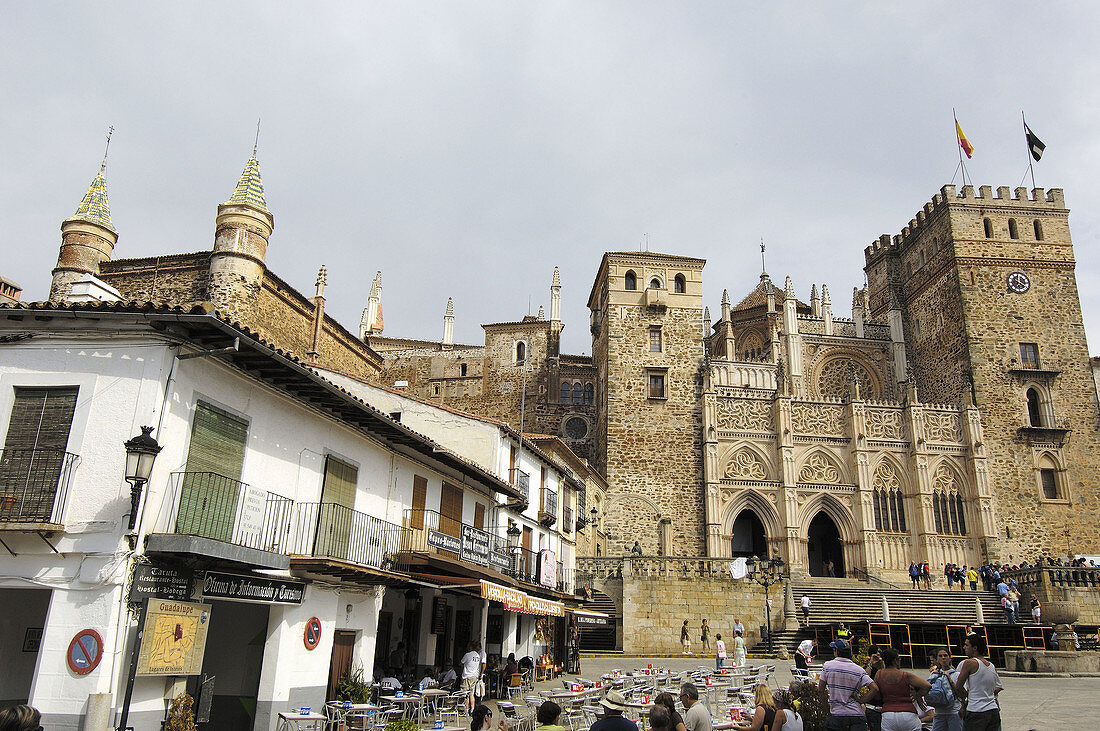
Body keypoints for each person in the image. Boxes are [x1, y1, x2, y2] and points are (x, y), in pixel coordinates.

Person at [818, 638, 877, 731]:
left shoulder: (828, 666)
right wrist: (861, 701)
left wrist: (826, 707)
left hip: (836, 715)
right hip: (857, 715)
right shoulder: (859, 670)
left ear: (836, 651)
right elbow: (875, 688)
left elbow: (820, 690)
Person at [875, 647, 930, 731]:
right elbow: (927, 685)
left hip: (888, 714)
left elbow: (877, 695)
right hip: (908, 713)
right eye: (899, 659)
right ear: (895, 660)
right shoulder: (905, 675)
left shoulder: (878, 675)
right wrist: (918, 695)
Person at [953, 634, 1001, 731]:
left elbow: (958, 686)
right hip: (992, 709)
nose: (964, 648)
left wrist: (965, 699)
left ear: (975, 648)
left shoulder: (970, 663)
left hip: (976, 710)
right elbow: (996, 687)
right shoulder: (991, 666)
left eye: (967, 645)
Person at [926, 647, 962, 731]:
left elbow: (961, 693)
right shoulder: (934, 675)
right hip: (939, 712)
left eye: (945, 655)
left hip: (954, 711)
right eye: (940, 656)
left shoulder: (956, 674)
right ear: (937, 659)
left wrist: (950, 681)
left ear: (950, 658)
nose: (943, 658)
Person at [461, 641, 484, 710]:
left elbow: (462, 663)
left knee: (465, 694)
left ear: (470, 647)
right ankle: (472, 709)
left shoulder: (467, 655)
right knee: (471, 694)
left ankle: (467, 709)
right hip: (474, 676)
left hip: (467, 676)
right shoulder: (477, 656)